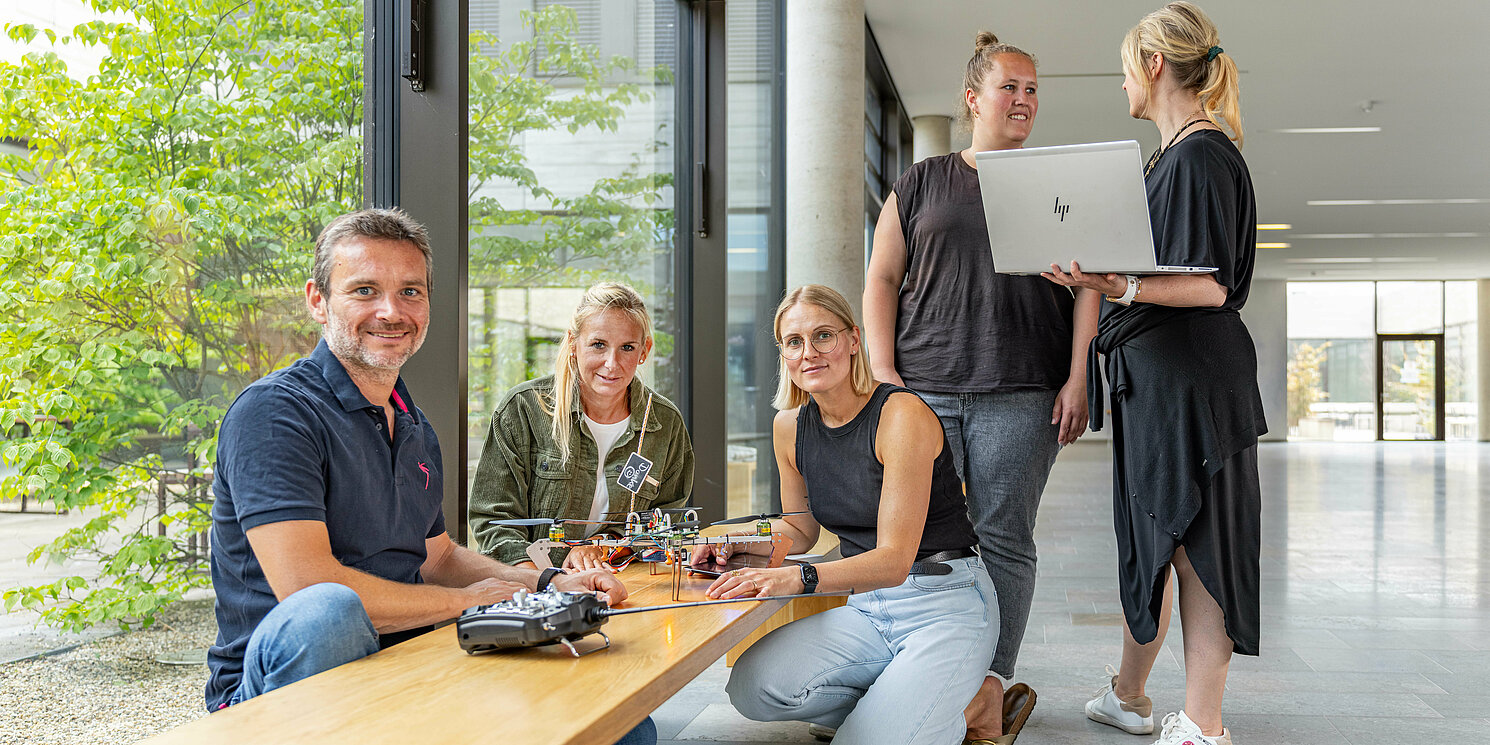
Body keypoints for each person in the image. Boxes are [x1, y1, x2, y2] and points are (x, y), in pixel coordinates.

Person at [206, 208, 655, 745]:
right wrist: (470, 603)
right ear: (317, 301)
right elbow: (307, 586)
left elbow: (438, 557)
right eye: (365, 290)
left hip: (404, 664)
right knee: (328, 611)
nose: (391, 311)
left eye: (411, 292)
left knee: (626, 728)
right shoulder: (275, 413)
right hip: (279, 697)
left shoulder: (413, 426)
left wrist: (545, 584)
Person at [862, 30, 1100, 741]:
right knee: (916, 539)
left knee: (1002, 538)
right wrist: (882, 373)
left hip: (1023, 389)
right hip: (924, 390)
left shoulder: (1057, 180)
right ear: (973, 98)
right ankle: (917, 673)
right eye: (1010, 87)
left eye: (1032, 90)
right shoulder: (922, 180)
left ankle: (991, 685)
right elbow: (881, 277)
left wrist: (1079, 375)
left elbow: (1090, 284)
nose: (1024, 100)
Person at [1042, 5, 1264, 744]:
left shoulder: (1200, 155)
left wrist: (1119, 287)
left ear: (1154, 66)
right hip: (1167, 379)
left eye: (1124, 69)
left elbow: (1209, 283)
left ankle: (1203, 722)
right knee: (1166, 538)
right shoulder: (1172, 156)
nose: (1123, 85)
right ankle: (1132, 694)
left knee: (1198, 546)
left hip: (1189, 380)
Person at [694, 284, 996, 745]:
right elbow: (799, 528)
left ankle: (964, 704)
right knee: (754, 688)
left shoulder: (901, 415)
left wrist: (796, 578)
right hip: (869, 607)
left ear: (853, 339)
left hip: (945, 602)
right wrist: (734, 538)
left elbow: (894, 561)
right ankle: (923, 704)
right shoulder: (789, 427)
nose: (808, 353)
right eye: (794, 342)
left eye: (823, 336)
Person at [468, 282, 694, 570]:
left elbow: (668, 517)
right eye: (598, 345)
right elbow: (494, 524)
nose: (612, 364)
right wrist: (550, 584)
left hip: (624, 583)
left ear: (644, 350)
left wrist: (604, 547)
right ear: (573, 344)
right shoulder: (522, 410)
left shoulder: (664, 423)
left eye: (627, 347)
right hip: (535, 588)